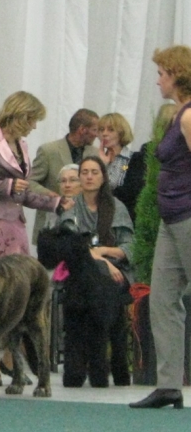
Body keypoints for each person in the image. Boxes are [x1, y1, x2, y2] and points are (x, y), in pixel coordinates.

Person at [0, 91, 71, 386]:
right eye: (32, 119)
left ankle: (14, 365)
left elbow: (24, 192)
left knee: (16, 300)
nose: (33, 126)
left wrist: (54, 203)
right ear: (19, 115)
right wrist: (6, 186)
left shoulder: (22, 145)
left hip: (15, 228)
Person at [130, 45, 191, 409]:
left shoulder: (188, 117)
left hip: (188, 215)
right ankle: (169, 384)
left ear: (177, 75)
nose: (157, 80)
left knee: (168, 302)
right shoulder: (178, 114)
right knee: (164, 302)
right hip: (172, 219)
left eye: (161, 74)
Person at [58, 156, 133, 387]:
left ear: (103, 177)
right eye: (85, 172)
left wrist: (104, 252)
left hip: (114, 273)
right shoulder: (71, 206)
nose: (89, 177)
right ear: (79, 177)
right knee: (85, 294)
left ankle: (116, 370)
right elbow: (70, 243)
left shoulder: (116, 207)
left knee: (107, 291)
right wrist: (102, 261)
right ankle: (75, 372)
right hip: (81, 272)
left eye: (94, 172)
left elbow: (130, 246)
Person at [28, 108, 99, 243]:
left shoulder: (95, 154)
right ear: (82, 129)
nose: (97, 135)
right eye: (95, 130)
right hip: (53, 225)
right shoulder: (48, 150)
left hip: (86, 228)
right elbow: (30, 182)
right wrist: (52, 196)